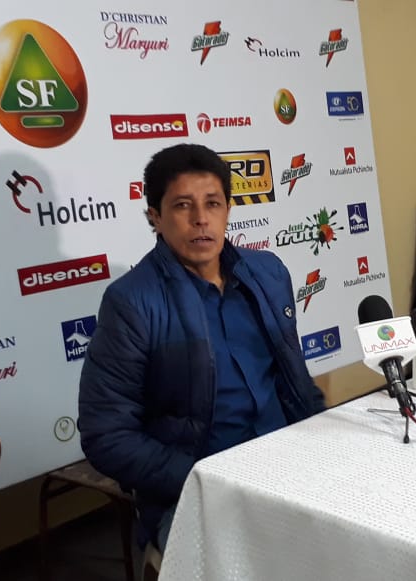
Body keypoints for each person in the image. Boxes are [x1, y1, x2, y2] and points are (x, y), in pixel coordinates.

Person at [78, 143, 327, 551]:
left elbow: (293, 380)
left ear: (227, 209)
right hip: (195, 491)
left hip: (287, 466)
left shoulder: (268, 274)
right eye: (182, 206)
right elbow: (106, 435)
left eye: (212, 203)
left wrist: (327, 444)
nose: (201, 219)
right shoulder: (132, 302)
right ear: (155, 217)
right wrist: (203, 478)